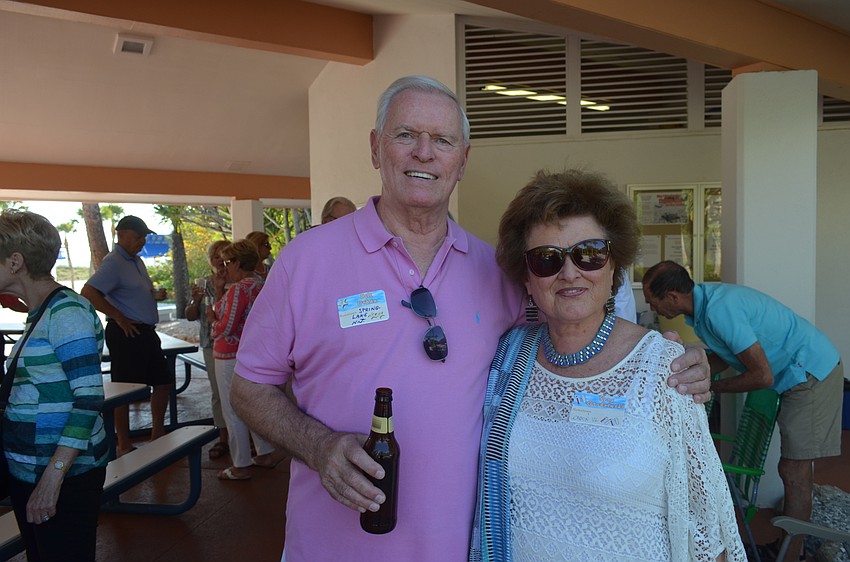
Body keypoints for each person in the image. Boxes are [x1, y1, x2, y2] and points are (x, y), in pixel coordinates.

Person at [229, 76, 711, 561]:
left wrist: (664, 361)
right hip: (332, 548)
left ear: (462, 160)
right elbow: (248, 387)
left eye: (442, 140)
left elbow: (573, 328)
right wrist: (317, 446)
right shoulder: (305, 261)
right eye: (405, 135)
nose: (424, 152)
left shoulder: (497, 270)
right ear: (376, 149)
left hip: (463, 549)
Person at [470, 170, 745, 561]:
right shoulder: (505, 359)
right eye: (546, 259)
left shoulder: (665, 367)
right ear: (527, 279)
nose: (570, 272)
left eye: (589, 253)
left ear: (613, 265)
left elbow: (706, 528)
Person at [642, 260, 844, 560]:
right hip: (796, 374)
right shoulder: (704, 307)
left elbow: (762, 375)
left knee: (794, 470)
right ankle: (788, 546)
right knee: (792, 469)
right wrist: (693, 372)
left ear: (672, 296)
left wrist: (712, 389)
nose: (653, 309)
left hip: (811, 372)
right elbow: (725, 357)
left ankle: (792, 554)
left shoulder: (720, 310)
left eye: (653, 301)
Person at [0, 209, 108, 561]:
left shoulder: (67, 313)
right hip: (29, 468)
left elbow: (89, 399)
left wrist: (52, 478)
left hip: (61, 476)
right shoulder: (41, 313)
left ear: (15, 261)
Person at [80, 215, 171, 456]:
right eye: (138, 236)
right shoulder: (114, 262)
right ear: (121, 235)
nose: (142, 240)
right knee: (126, 389)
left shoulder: (136, 262)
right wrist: (119, 317)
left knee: (163, 382)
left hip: (146, 332)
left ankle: (157, 435)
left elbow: (135, 293)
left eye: (144, 236)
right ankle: (124, 442)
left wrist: (154, 296)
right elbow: (88, 292)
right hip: (127, 333)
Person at [211, 240, 278, 480]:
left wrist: (212, 323)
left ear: (238, 263)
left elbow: (226, 326)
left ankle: (240, 464)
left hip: (229, 354)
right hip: (251, 352)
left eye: (228, 262)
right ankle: (264, 452)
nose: (224, 267)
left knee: (232, 409)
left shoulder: (239, 289)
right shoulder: (260, 285)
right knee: (251, 404)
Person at [185, 239, 230, 460]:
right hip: (210, 344)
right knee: (218, 393)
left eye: (225, 258)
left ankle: (245, 437)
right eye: (216, 258)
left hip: (235, 345)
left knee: (240, 391)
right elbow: (191, 315)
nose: (221, 263)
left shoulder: (237, 282)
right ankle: (223, 436)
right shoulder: (202, 284)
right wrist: (195, 301)